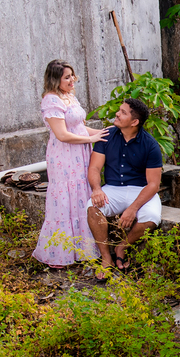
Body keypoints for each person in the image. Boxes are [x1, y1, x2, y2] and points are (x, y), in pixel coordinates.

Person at [32, 60, 109, 267]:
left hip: (80, 153)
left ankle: (83, 250)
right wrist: (91, 140)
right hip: (64, 156)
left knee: (80, 197)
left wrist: (106, 133)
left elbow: (80, 129)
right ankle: (61, 253)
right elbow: (63, 135)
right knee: (65, 201)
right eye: (67, 77)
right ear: (55, 79)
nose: (72, 80)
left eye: (72, 75)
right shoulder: (51, 100)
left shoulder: (69, 97)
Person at [86, 97, 163, 271]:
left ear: (134, 121)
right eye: (119, 110)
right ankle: (106, 257)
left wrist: (133, 208)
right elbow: (94, 168)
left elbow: (153, 185)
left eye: (123, 112)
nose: (117, 114)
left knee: (152, 217)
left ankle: (122, 246)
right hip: (112, 188)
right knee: (92, 208)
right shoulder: (106, 136)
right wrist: (97, 189)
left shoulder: (150, 145)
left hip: (140, 189)